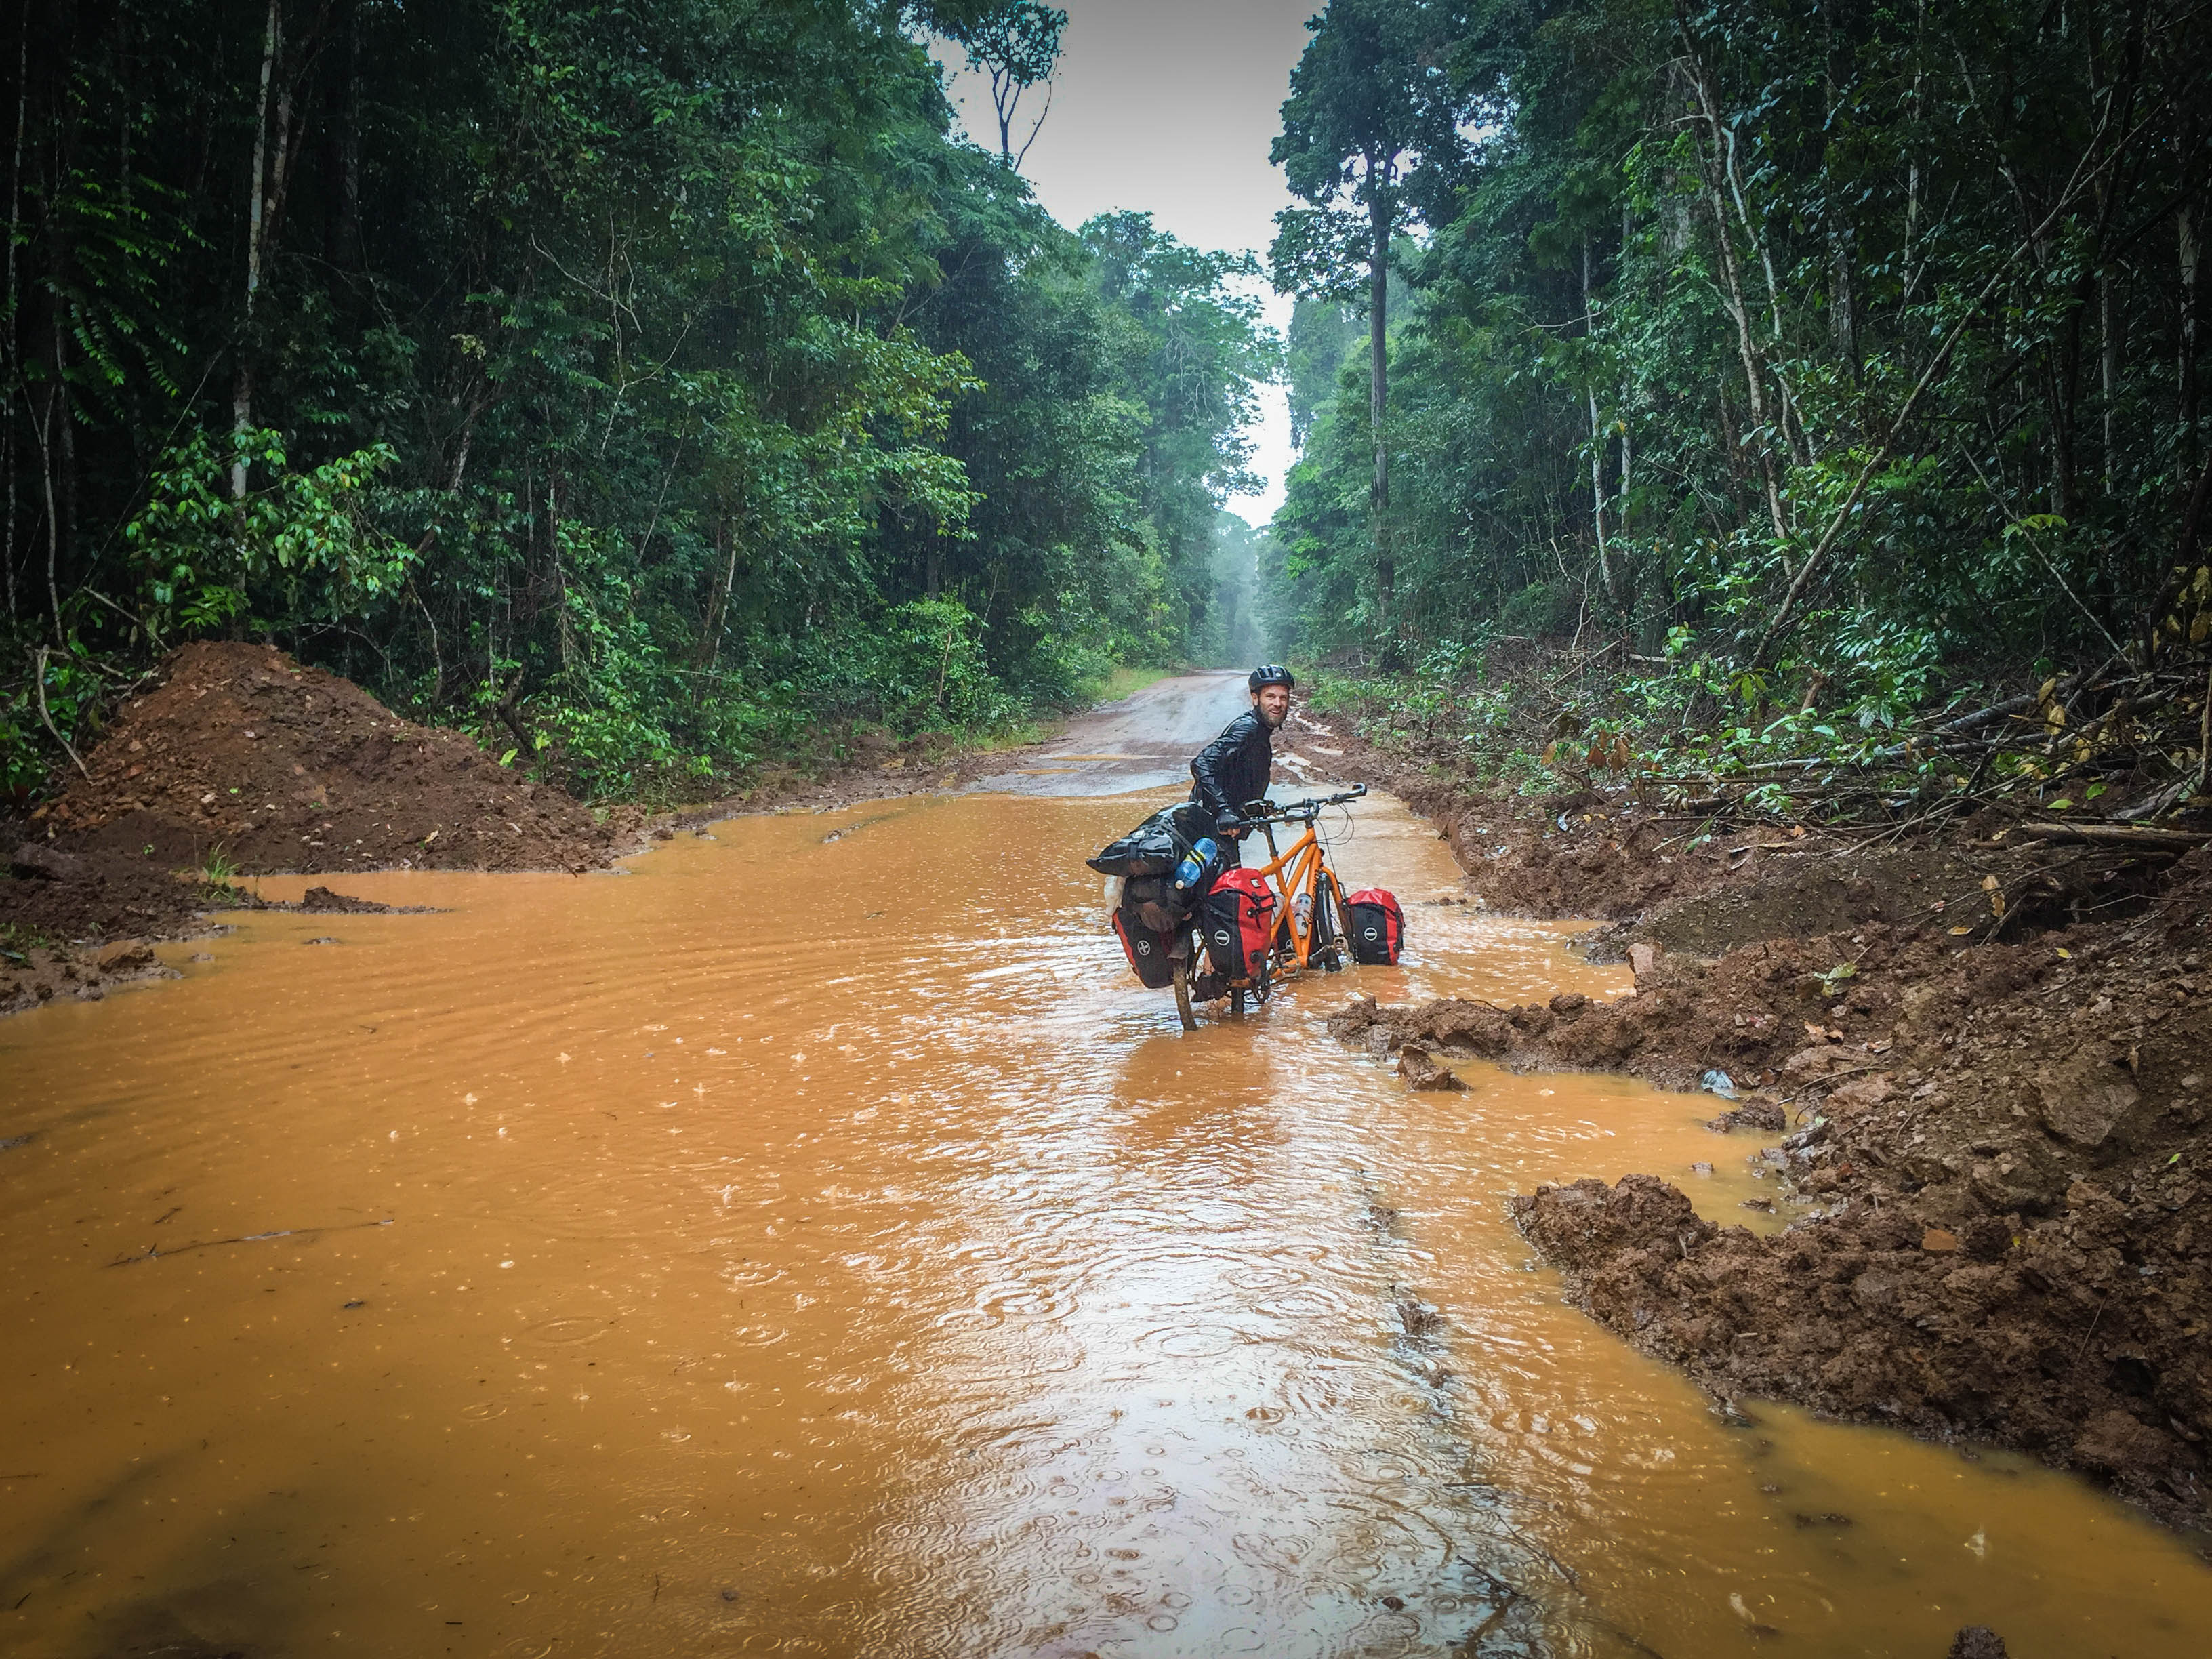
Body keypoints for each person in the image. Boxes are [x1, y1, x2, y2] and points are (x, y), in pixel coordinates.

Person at [1189, 664, 1294, 865]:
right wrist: (1224, 810)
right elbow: (1202, 762)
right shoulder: (1248, 728)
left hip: (1226, 830)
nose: (1278, 704)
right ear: (1255, 699)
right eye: (1270, 697)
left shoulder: (1261, 731)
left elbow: (1240, 777)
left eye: (1283, 698)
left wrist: (1261, 807)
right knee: (1229, 883)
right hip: (1210, 829)